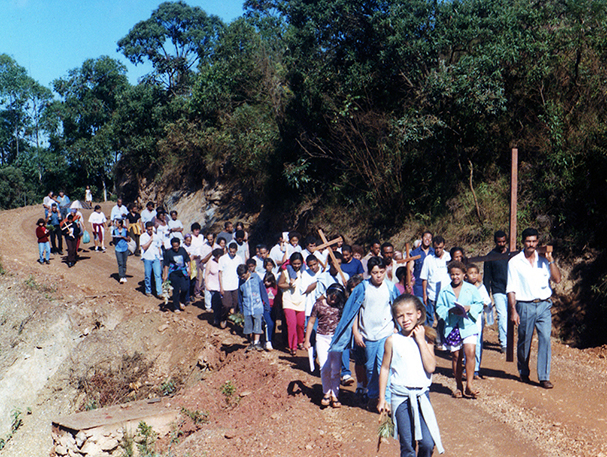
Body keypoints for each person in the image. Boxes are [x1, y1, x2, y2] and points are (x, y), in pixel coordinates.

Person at [330, 256, 400, 411]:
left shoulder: (390, 287)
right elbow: (353, 311)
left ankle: (386, 400)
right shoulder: (363, 288)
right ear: (369, 273)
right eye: (375, 272)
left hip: (386, 332)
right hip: (368, 334)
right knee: (370, 367)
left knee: (383, 365)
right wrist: (356, 332)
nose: (379, 275)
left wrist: (396, 326)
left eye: (381, 272)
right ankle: (373, 394)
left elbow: (397, 307)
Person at [378, 294, 444, 457]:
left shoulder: (427, 338)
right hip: (400, 397)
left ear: (419, 314)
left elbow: (430, 367)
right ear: (395, 318)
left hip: (421, 395)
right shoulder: (392, 340)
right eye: (400, 316)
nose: (405, 319)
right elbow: (385, 368)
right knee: (407, 444)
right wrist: (382, 398)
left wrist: (421, 340)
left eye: (409, 314)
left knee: (427, 443)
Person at [507, 228, 561, 389]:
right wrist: (513, 310)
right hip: (524, 305)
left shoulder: (544, 261)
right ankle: (523, 371)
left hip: (544, 304)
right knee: (524, 340)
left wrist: (551, 261)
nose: (531, 244)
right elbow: (511, 288)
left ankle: (544, 377)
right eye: (528, 241)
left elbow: (557, 279)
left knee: (545, 338)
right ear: (523, 242)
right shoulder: (514, 262)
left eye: (534, 241)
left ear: (538, 242)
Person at [436, 261, 483, 399]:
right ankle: (458, 385)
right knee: (456, 356)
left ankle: (469, 385)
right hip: (452, 326)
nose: (455, 277)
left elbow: (479, 303)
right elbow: (439, 307)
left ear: (464, 274)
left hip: (468, 325)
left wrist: (470, 308)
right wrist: (449, 311)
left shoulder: (471, 289)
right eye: (452, 274)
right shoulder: (444, 291)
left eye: (458, 274)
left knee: (470, 352)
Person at [303, 283, 347, 408]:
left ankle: (335, 394)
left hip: (335, 340)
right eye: (331, 297)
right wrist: (307, 340)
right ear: (327, 293)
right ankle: (326, 392)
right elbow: (311, 322)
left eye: (336, 298)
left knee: (336, 367)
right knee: (324, 366)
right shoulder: (318, 305)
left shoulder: (340, 307)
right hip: (322, 338)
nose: (333, 300)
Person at [483, 230, 509, 353]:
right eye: (499, 242)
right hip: (498, 290)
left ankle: (506, 338)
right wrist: (486, 294)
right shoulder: (490, 256)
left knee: (510, 317)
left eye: (503, 241)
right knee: (502, 316)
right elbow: (486, 277)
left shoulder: (512, 255)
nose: (501, 244)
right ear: (495, 242)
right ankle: (504, 343)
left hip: (511, 290)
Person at [466, 264, 492, 378]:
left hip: (478, 320)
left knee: (477, 344)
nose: (473, 276)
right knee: (467, 344)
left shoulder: (482, 288)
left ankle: (476, 369)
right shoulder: (464, 288)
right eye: (470, 273)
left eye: (475, 273)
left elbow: (488, 303)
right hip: (466, 320)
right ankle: (466, 368)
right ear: (466, 275)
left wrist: (484, 304)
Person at [237, 264, 270, 352]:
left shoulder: (256, 278)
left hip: (257, 306)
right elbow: (240, 296)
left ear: (247, 272)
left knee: (257, 324)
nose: (242, 278)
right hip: (247, 307)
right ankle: (252, 342)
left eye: (243, 276)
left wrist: (266, 303)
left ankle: (256, 342)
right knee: (249, 326)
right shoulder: (241, 281)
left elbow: (262, 291)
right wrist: (241, 308)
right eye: (240, 276)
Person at [420, 236, 451, 328]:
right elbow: (424, 278)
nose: (438, 250)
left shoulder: (449, 257)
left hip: (447, 294)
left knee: (445, 318)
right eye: (436, 248)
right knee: (435, 318)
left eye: (440, 247)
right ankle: (435, 339)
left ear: (444, 246)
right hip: (433, 294)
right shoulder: (428, 259)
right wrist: (425, 294)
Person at [279, 252, 306, 355]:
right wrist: (289, 285)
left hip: (301, 300)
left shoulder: (305, 272)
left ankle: (300, 341)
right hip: (288, 301)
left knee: (300, 324)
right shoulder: (286, 272)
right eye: (294, 263)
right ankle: (292, 346)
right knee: (292, 324)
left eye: (298, 263)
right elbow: (280, 284)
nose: (296, 266)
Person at [218, 242, 244, 326]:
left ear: (236, 250)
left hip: (236, 285)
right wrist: (221, 287)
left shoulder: (239, 259)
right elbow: (220, 273)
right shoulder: (222, 259)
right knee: (226, 305)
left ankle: (235, 321)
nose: (232, 253)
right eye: (230, 251)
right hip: (226, 285)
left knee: (235, 304)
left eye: (233, 251)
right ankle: (223, 318)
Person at [163, 237, 191, 312]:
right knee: (176, 289)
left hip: (182, 272)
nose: (176, 248)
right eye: (174, 246)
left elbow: (188, 260)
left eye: (177, 246)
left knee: (185, 288)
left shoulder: (182, 250)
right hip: (174, 273)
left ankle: (181, 300)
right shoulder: (169, 253)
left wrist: (189, 269)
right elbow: (166, 265)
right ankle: (176, 307)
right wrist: (165, 275)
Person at [140, 221, 163, 297]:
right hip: (147, 257)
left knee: (158, 274)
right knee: (148, 275)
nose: (150, 231)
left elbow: (159, 247)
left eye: (151, 229)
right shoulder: (143, 237)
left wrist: (160, 258)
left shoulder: (156, 237)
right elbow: (144, 247)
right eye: (149, 229)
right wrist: (150, 240)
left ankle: (159, 292)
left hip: (155, 257)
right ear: (146, 229)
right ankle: (148, 290)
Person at [411, 231, 434, 301]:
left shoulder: (434, 253)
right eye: (425, 237)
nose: (427, 239)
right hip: (418, 288)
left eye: (429, 238)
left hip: (432, 288)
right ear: (421, 238)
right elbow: (410, 270)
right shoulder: (414, 253)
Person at [205, 249, 224, 326]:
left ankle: (223, 318)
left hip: (223, 285)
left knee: (223, 304)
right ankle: (216, 318)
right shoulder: (210, 263)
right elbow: (206, 274)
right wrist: (207, 284)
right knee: (216, 303)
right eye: (217, 257)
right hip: (214, 286)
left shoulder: (224, 262)